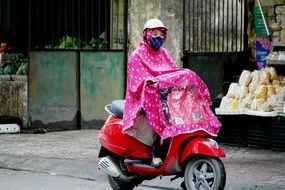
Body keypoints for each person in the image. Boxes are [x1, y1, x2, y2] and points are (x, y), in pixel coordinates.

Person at [122, 19, 221, 168]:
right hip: (145, 99)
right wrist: (151, 84)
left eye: (161, 34)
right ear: (146, 34)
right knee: (162, 112)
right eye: (154, 34)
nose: (158, 37)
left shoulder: (165, 53)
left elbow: (174, 72)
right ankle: (156, 152)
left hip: (164, 95)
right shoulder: (137, 55)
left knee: (187, 76)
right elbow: (136, 84)